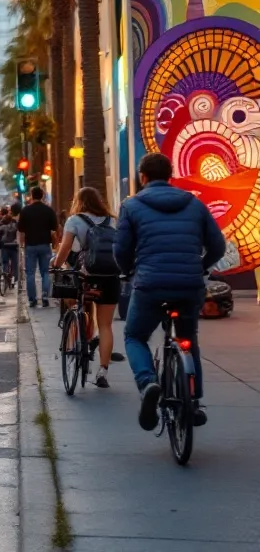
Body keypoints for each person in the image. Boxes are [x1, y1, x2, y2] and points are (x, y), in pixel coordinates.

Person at [115, 152, 226, 431]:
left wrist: (128, 270)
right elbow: (218, 246)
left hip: (150, 284)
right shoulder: (194, 204)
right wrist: (200, 266)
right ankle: (194, 402)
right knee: (188, 338)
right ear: (170, 175)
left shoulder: (131, 206)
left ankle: (148, 383)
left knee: (135, 335)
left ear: (143, 177)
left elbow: (122, 250)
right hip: (189, 285)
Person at [52, 187, 123, 388]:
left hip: (86, 275)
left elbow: (65, 249)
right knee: (106, 325)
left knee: (80, 309)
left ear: (78, 201)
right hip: (110, 275)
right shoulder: (113, 220)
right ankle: (103, 371)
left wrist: (56, 266)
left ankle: (78, 344)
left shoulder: (75, 220)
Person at [17, 187, 59, 308]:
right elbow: (55, 228)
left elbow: (21, 230)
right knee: (45, 272)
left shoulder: (25, 211)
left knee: (30, 273)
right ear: (43, 196)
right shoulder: (48, 210)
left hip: (30, 245)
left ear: (31, 195)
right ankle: (45, 296)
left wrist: (22, 245)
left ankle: (32, 299)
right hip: (45, 245)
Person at [0, 205, 20, 287]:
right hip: (14, 247)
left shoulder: (1, 227)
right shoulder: (16, 226)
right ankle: (15, 281)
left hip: (4, 247)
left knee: (5, 262)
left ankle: (5, 276)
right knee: (15, 264)